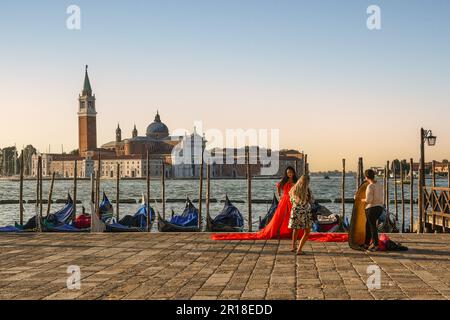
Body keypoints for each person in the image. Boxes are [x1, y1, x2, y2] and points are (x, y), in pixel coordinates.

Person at [211, 166, 298, 240]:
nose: (289, 174)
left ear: (293, 173)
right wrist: (280, 195)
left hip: (291, 201)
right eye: (288, 172)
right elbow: (278, 186)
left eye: (290, 172)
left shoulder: (296, 182)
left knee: (290, 218)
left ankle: (290, 232)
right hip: (284, 201)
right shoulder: (284, 181)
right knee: (279, 218)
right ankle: (278, 232)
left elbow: (298, 191)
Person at [288, 175, 314, 255]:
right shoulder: (307, 190)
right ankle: (299, 249)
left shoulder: (294, 189)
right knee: (307, 232)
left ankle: (293, 247)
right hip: (304, 212)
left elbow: (291, 200)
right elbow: (312, 200)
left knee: (296, 229)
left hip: (295, 211)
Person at [361, 169, 384, 252]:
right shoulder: (379, 185)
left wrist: (361, 200)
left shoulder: (370, 186)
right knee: (368, 225)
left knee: (372, 227)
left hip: (371, 208)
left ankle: (376, 244)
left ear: (366, 177)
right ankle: (366, 244)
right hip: (380, 208)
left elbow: (369, 200)